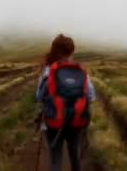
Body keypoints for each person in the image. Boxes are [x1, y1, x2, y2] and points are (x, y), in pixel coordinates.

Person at [36, 34, 96, 171]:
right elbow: (91, 96)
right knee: (75, 154)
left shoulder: (48, 71)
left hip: (53, 123)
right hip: (75, 121)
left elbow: (39, 97)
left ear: (54, 51)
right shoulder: (79, 72)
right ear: (72, 52)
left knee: (55, 158)